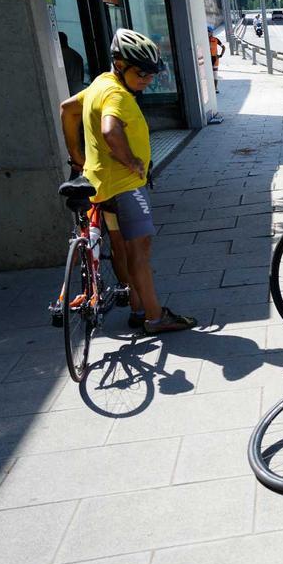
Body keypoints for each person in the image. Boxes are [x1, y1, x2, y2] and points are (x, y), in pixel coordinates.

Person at [58, 28, 197, 335]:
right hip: (125, 186)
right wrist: (132, 161)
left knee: (120, 248)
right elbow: (110, 130)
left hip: (100, 183)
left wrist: (76, 155)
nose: (148, 80)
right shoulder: (117, 95)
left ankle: (136, 307)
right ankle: (155, 317)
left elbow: (67, 109)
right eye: (142, 73)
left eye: (152, 74)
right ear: (119, 64)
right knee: (140, 252)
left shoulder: (100, 84)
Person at [59, 32, 86, 96]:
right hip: (79, 89)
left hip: (68, 90)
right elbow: (82, 75)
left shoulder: (60, 56)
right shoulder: (77, 55)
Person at [207, 25, 225, 93]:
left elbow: (223, 47)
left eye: (209, 31)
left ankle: (215, 88)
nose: (208, 32)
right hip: (208, 59)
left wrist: (220, 55)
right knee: (208, 74)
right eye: (207, 31)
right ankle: (209, 88)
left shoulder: (216, 39)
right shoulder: (204, 40)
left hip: (215, 58)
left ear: (211, 32)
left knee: (215, 74)